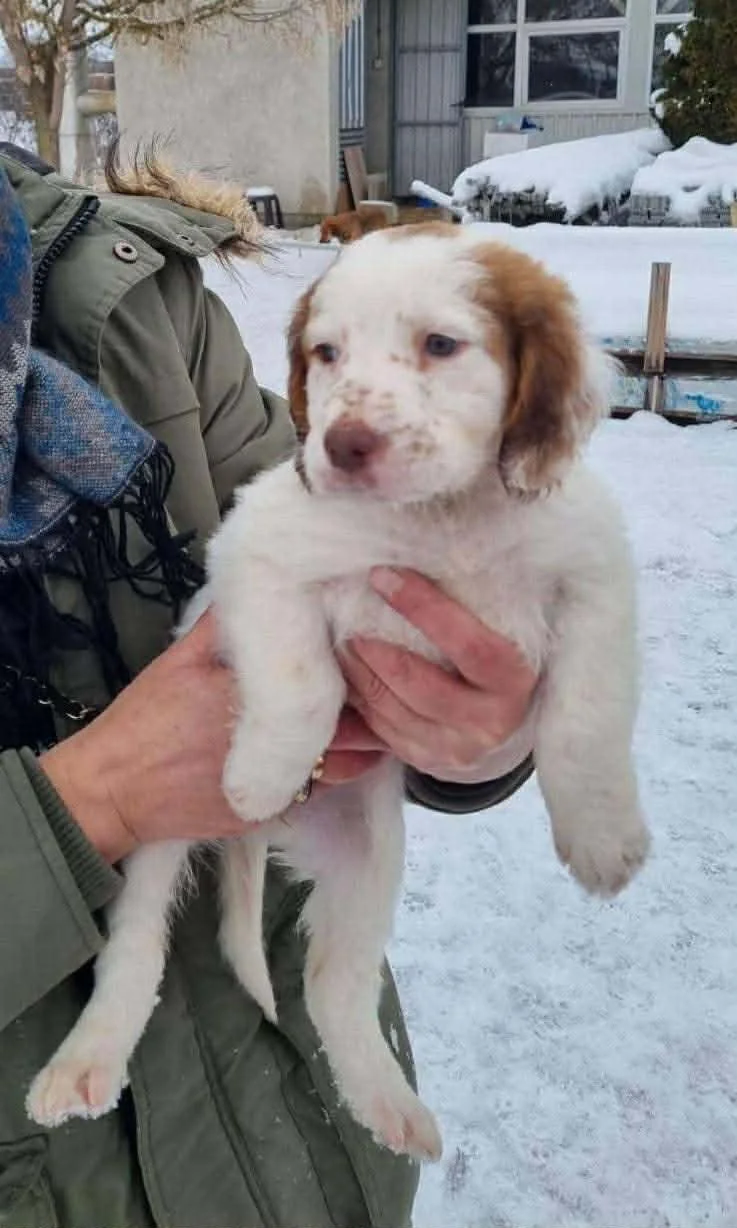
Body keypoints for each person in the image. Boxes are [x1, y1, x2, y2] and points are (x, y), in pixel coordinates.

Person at [0, 142, 537, 1228]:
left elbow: (341, 536)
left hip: (294, 1142)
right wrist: (95, 797)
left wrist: (476, 726)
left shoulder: (121, 291)